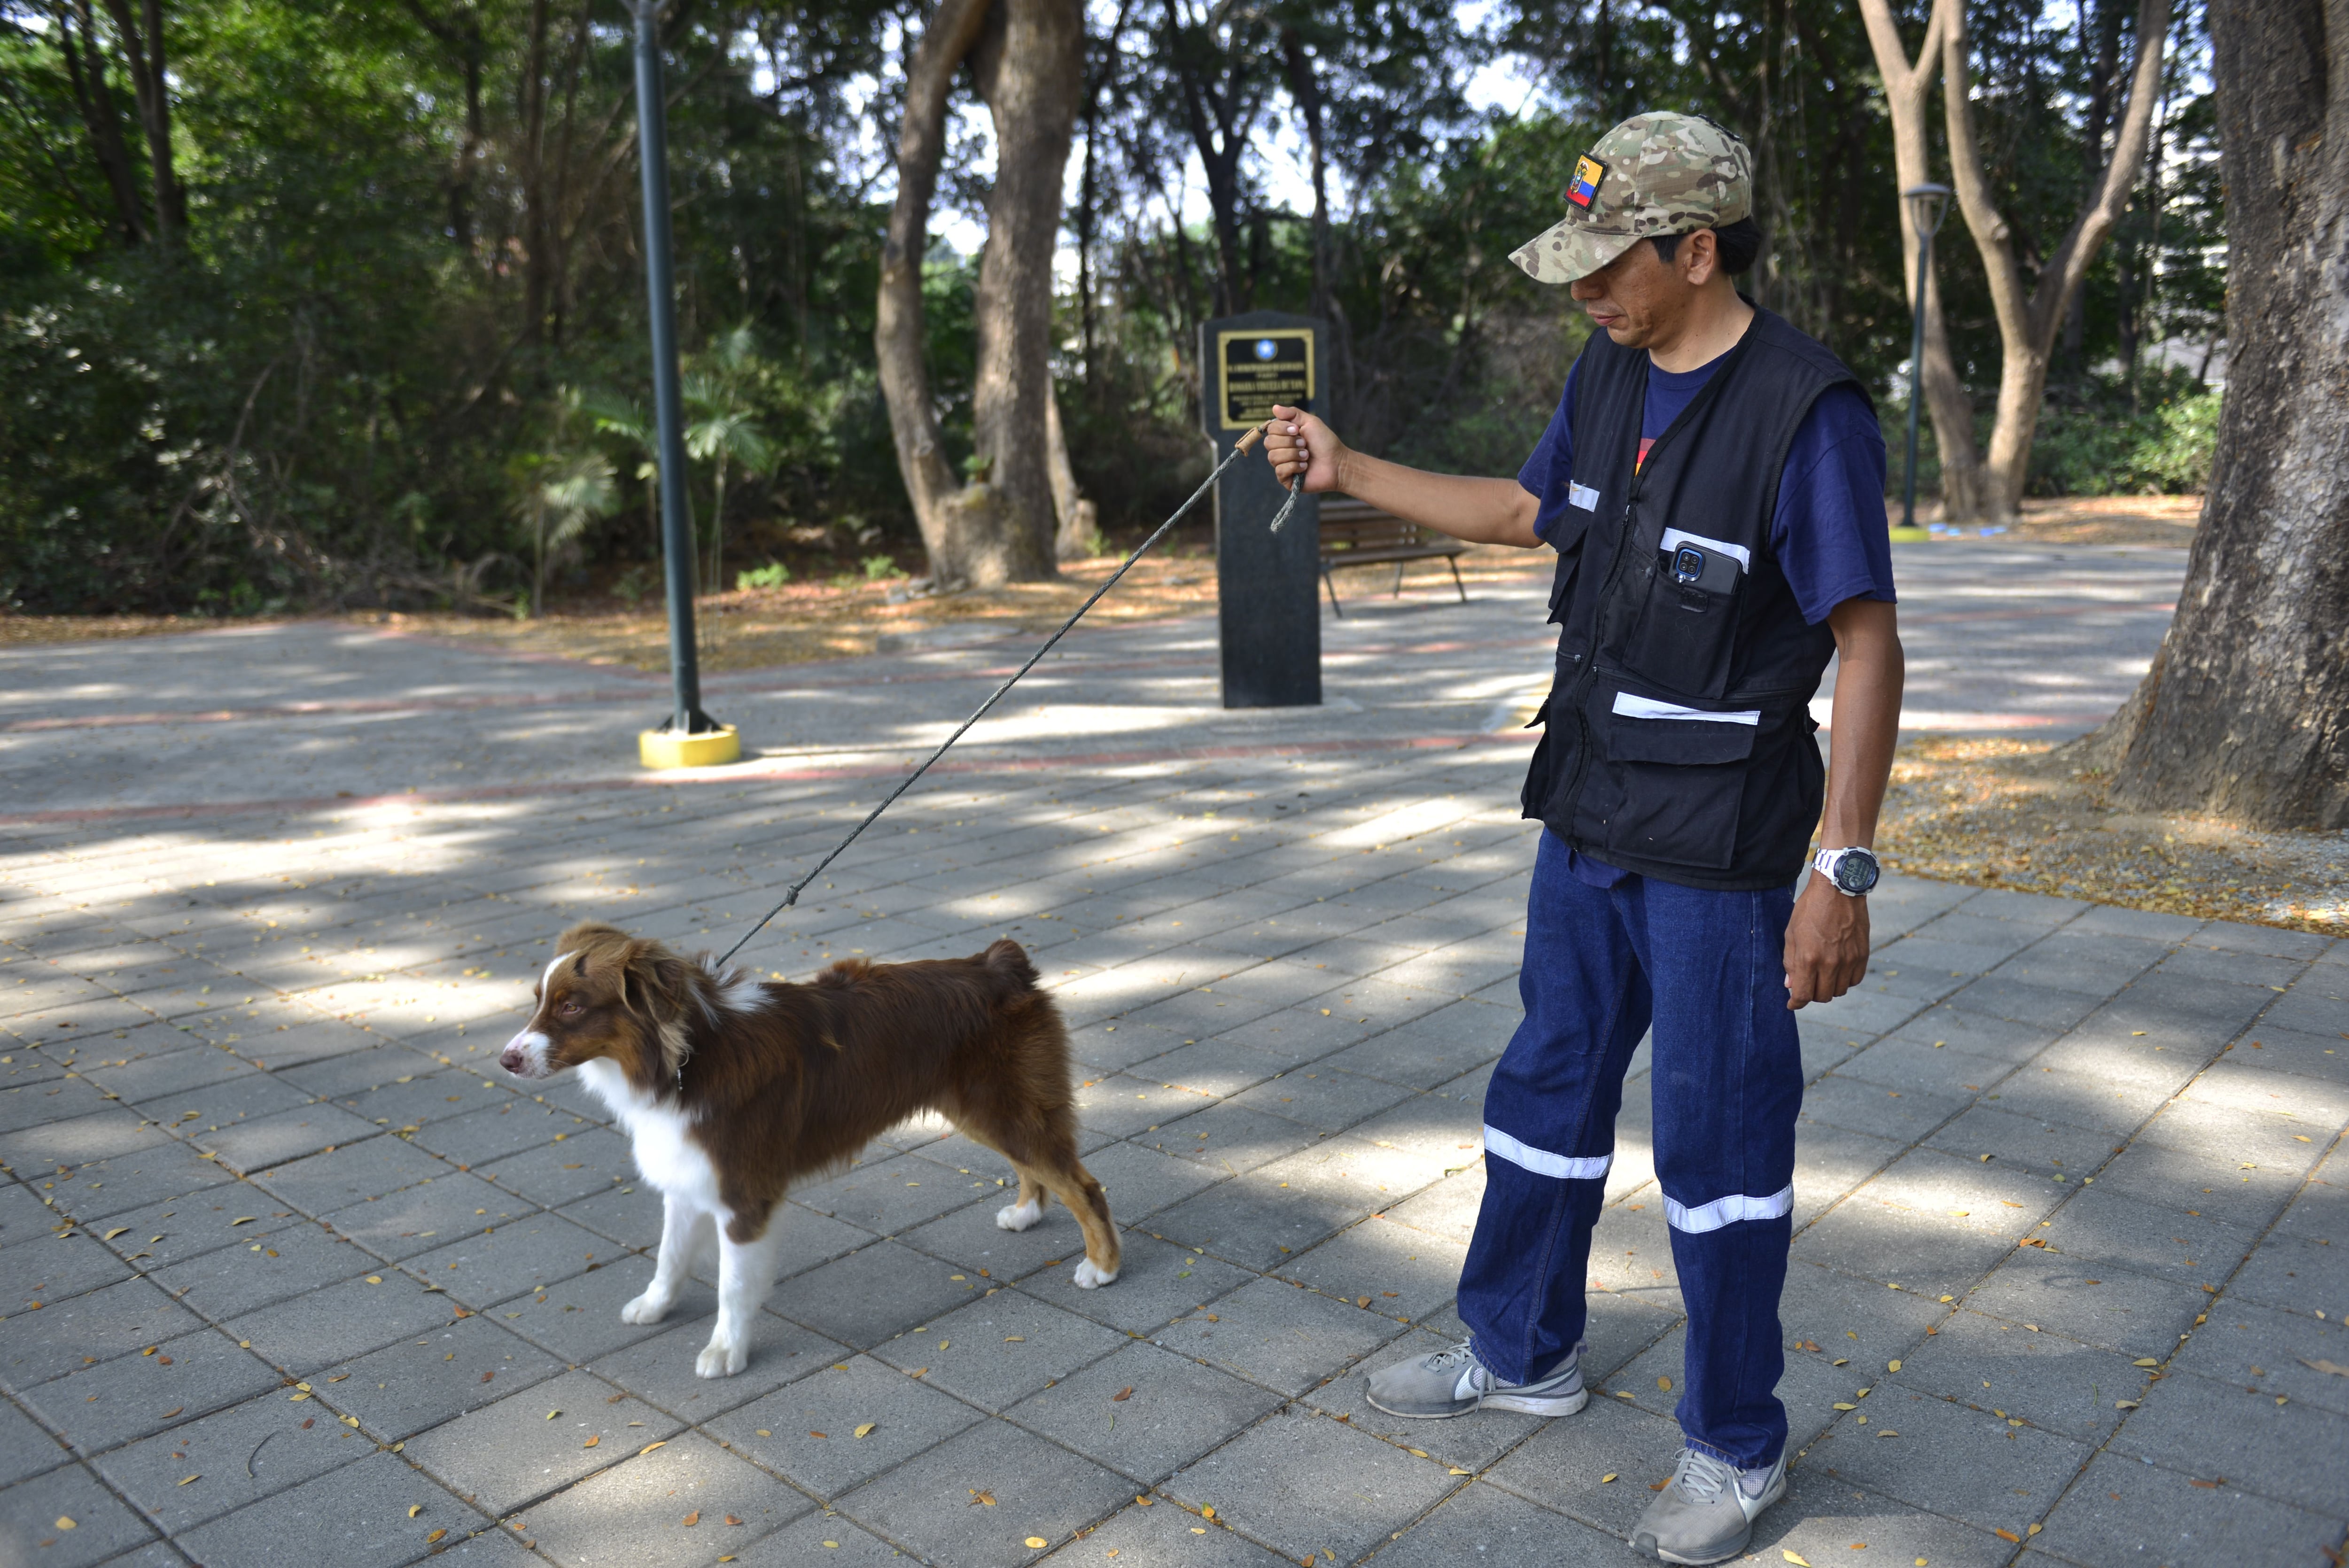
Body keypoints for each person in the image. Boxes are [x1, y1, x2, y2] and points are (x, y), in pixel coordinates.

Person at [1260, 110, 1903, 1566]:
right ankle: (1521, 1347)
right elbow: (1527, 508)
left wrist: (1841, 867)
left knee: (1721, 1147)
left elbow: (1869, 647)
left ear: (1694, 249)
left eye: (1607, 265)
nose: (1583, 293)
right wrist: (1349, 466)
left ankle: (1737, 1445)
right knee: (1543, 1090)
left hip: (1727, 849)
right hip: (1591, 812)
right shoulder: (1612, 371)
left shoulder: (1810, 412)